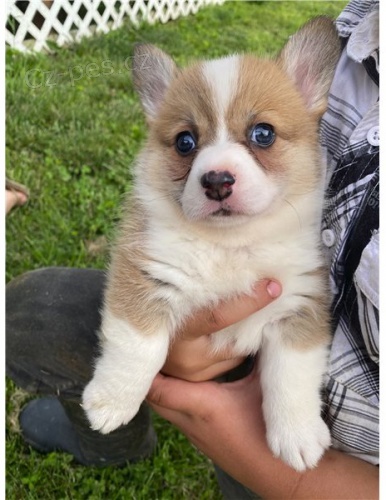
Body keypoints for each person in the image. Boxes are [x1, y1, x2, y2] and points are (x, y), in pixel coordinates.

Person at [6, 0, 378, 497]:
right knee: (32, 308)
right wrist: (131, 371)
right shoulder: (359, 36)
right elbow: (140, 281)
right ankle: (117, 433)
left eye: (260, 135)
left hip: (348, 455)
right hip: (207, 361)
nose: (218, 172)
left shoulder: (292, 228)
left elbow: (298, 318)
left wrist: (288, 414)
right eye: (187, 143)